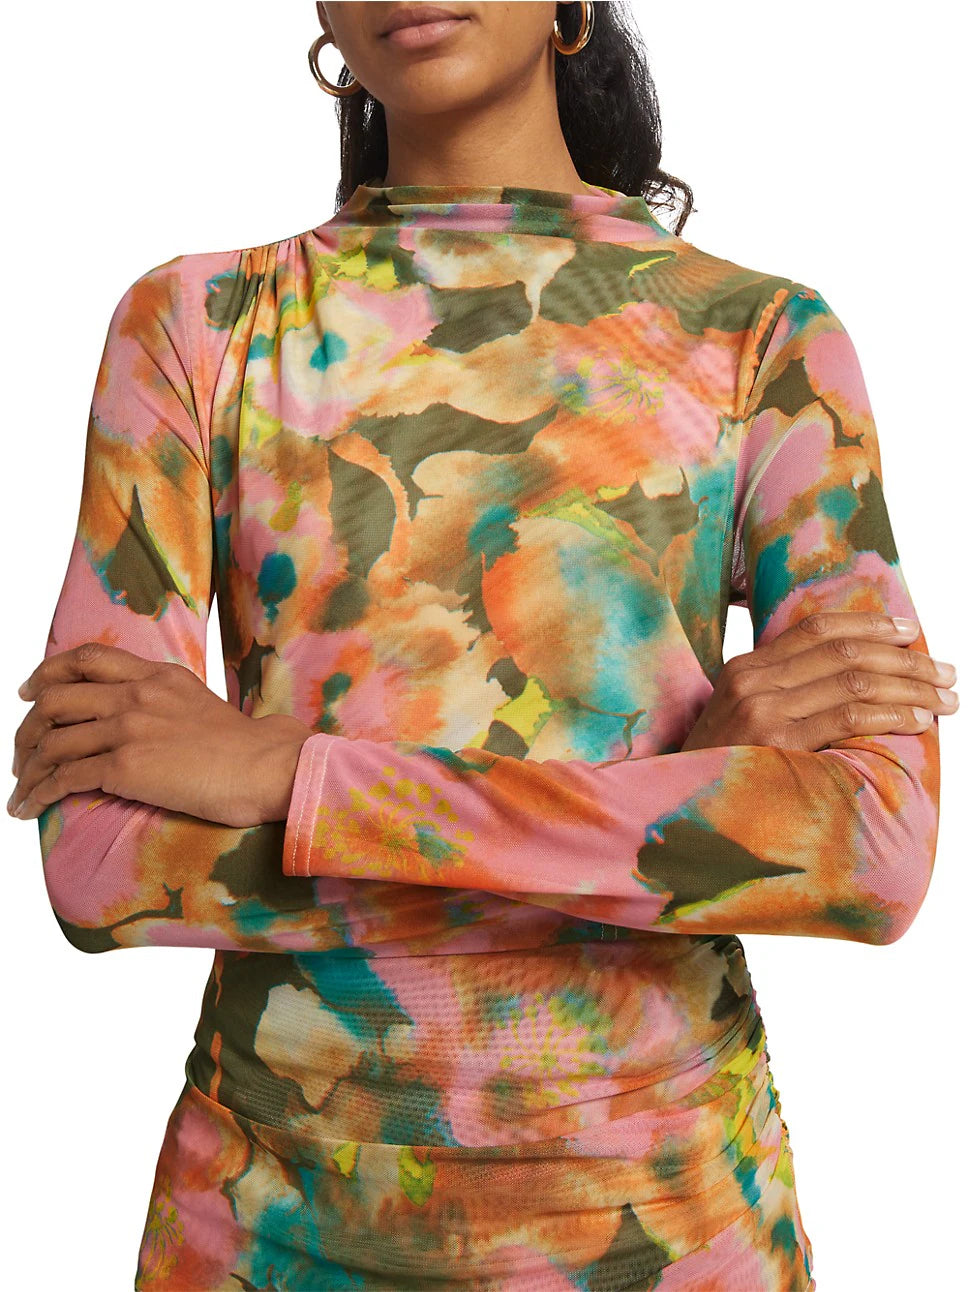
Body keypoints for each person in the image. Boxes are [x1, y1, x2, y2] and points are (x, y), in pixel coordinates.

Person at [7, 2, 954, 1287]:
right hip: (270, 1228)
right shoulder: (198, 323)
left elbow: (871, 854)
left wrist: (291, 777)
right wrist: (670, 802)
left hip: (672, 1222)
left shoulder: (761, 339)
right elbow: (102, 864)